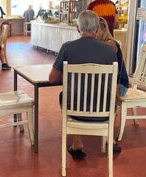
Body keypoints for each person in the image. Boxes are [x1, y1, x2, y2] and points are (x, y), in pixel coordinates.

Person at [49, 10, 120, 160]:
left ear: (78, 28)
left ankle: (76, 142)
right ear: (96, 28)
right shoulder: (110, 51)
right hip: (105, 111)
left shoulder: (67, 48)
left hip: (75, 111)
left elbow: (52, 78)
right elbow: (116, 85)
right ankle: (109, 140)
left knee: (66, 95)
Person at [96, 17, 129, 103]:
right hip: (108, 82)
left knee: (89, 91)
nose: (93, 34)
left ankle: (107, 113)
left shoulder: (110, 44)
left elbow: (115, 71)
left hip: (119, 85)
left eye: (96, 31)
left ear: (103, 29)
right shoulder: (100, 43)